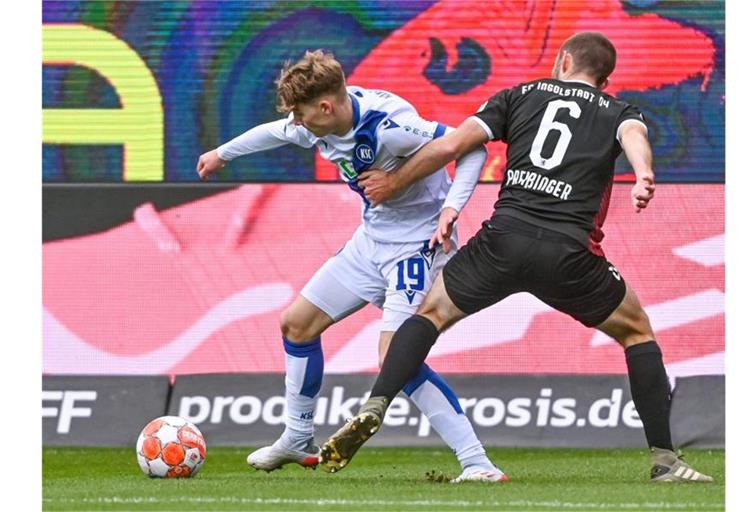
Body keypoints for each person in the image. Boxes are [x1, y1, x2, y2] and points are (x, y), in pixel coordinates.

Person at [319, 33, 713, 483]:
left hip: (502, 240)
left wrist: (394, 182)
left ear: (563, 60)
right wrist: (644, 173)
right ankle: (664, 459)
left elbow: (451, 146)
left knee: (429, 314)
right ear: (605, 81)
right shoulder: (617, 111)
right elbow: (634, 136)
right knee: (637, 332)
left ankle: (378, 401)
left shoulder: (519, 95)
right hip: (567, 253)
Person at [197, 50, 508, 482]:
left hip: (417, 248)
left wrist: (452, 207)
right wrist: (222, 154)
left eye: (302, 115)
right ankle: (297, 437)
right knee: (297, 324)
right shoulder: (317, 123)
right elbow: (276, 132)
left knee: (395, 355)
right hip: (371, 243)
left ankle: (477, 463)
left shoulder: (390, 125)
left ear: (326, 106)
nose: (298, 124)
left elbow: (470, 147)